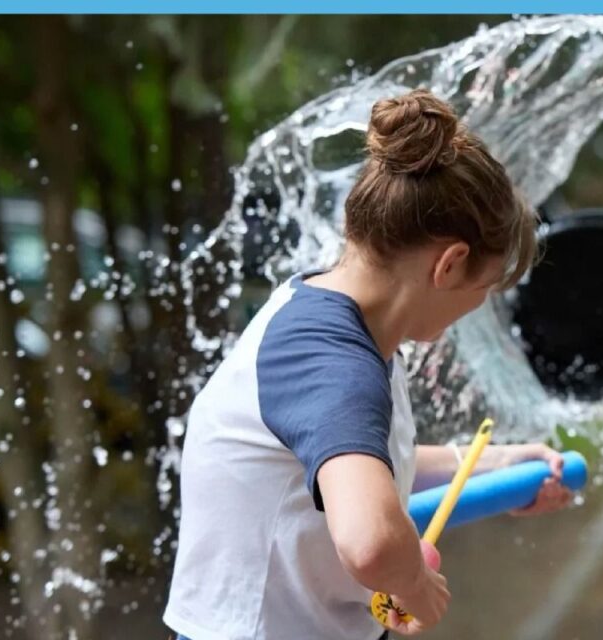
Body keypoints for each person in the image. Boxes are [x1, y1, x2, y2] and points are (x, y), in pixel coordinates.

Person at [163, 89, 573, 640]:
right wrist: (414, 588)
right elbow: (372, 542)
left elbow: (359, 459)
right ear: (449, 264)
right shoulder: (330, 358)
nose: (478, 307)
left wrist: (494, 464)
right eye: (485, 289)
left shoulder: (336, 317)